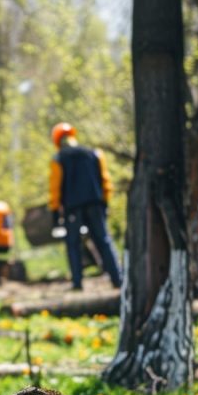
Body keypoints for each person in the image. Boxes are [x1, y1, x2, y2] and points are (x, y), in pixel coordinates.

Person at [48, 122, 123, 290]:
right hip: (95, 204)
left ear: (57, 141)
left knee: (73, 244)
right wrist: (105, 202)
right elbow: (105, 180)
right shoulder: (94, 154)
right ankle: (117, 279)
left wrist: (54, 210)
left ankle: (77, 283)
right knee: (103, 240)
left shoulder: (58, 159)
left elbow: (55, 187)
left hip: (73, 208)